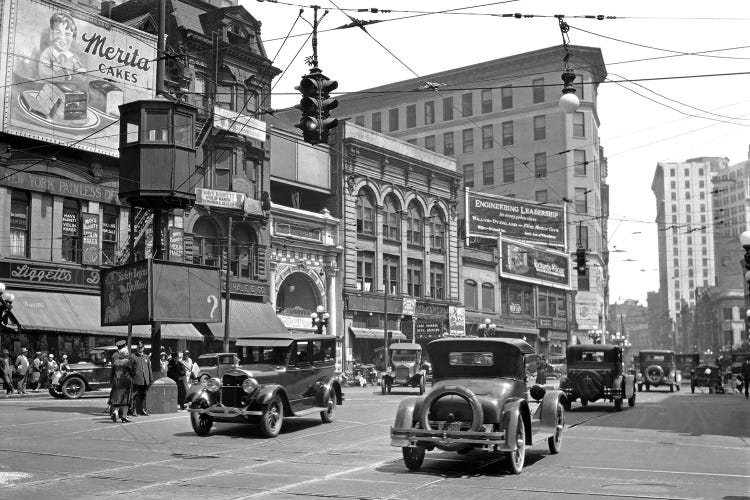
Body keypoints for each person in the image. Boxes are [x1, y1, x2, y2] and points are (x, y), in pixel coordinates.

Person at [37, 13, 86, 80]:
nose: (62, 38)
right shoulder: (48, 54)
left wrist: (80, 73)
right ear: (52, 34)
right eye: (58, 32)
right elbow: (44, 72)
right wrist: (64, 76)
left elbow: (82, 77)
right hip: (50, 89)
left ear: (72, 38)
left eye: (67, 34)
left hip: (70, 90)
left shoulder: (74, 58)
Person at [109, 341, 135, 423]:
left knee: (117, 399)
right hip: (126, 382)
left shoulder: (115, 362)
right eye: (127, 352)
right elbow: (132, 372)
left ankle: (115, 412)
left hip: (117, 382)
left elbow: (112, 373)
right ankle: (124, 416)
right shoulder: (128, 361)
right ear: (125, 354)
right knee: (126, 400)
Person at [130, 341, 152, 416]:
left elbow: (149, 369)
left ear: (143, 348)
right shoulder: (133, 356)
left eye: (141, 347)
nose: (140, 349)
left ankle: (143, 410)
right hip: (136, 379)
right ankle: (134, 410)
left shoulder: (146, 357)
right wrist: (132, 377)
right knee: (135, 396)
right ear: (137, 348)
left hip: (145, 379)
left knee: (143, 395)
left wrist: (150, 379)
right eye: (139, 347)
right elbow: (130, 368)